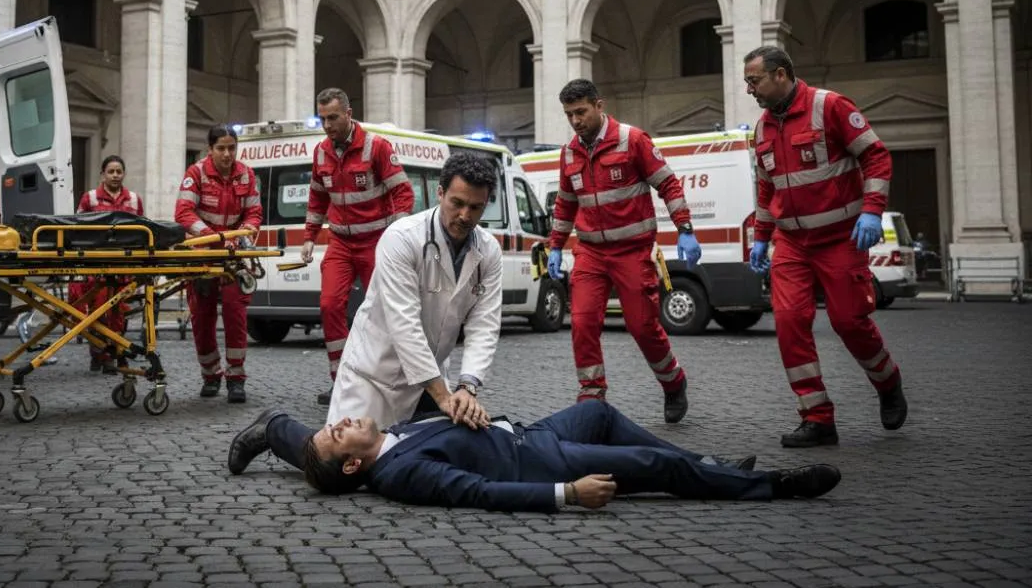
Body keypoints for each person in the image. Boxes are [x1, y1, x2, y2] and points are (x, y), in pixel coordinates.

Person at [229, 152, 503, 472]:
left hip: (430, 373)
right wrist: (444, 396)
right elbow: (404, 323)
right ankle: (274, 428)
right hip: (377, 371)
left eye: (476, 207)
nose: (465, 215)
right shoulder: (402, 238)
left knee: (443, 454)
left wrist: (467, 386)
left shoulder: (488, 250)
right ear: (440, 193)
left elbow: (485, 323)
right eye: (457, 203)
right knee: (339, 464)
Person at [228, 400, 842, 512]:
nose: (336, 423)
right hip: (545, 461)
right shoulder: (402, 474)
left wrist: (460, 406)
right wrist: (566, 494)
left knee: (597, 408)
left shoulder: (379, 442)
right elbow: (480, 494)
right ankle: (771, 488)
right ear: (357, 466)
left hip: (524, 430)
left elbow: (334, 446)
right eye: (338, 434)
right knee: (658, 471)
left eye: (330, 428)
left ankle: (271, 426)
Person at [743, 45, 908, 448]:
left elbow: (876, 156)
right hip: (792, 245)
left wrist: (872, 211)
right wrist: (762, 240)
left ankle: (887, 384)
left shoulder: (829, 106)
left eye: (754, 80)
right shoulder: (762, 129)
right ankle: (817, 418)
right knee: (789, 324)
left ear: (780, 75)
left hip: (840, 238)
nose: (750, 90)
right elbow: (768, 190)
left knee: (850, 321)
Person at [547, 79, 703, 422]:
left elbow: (668, 183)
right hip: (590, 252)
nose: (575, 120)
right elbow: (565, 205)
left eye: (581, 112)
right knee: (583, 323)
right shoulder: (569, 153)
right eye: (569, 114)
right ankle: (592, 395)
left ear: (599, 106)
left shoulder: (632, 140)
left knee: (643, 327)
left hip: (632, 251)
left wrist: (685, 229)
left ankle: (673, 382)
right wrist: (555, 247)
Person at [300, 88, 414, 405]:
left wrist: (396, 233)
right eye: (322, 118)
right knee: (329, 305)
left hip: (376, 242)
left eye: (333, 117)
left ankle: (389, 380)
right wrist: (310, 235)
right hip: (340, 242)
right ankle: (342, 379)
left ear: (349, 115)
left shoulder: (376, 147)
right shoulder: (321, 153)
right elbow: (317, 197)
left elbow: (404, 193)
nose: (327, 125)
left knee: (383, 312)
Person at [174, 124, 262, 403]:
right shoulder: (196, 174)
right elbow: (184, 213)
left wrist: (241, 236)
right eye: (221, 148)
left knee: (236, 314)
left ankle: (236, 379)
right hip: (203, 254)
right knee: (202, 316)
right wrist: (213, 237)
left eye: (231, 148)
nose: (227, 154)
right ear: (210, 149)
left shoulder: (246, 175)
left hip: (234, 255)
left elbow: (254, 213)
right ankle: (210, 375)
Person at [68, 155, 145, 373]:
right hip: (96, 264)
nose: (115, 175)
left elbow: (141, 230)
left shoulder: (133, 199)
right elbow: (77, 228)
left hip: (124, 265)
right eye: (111, 171)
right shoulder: (90, 198)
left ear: (124, 174)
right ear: (103, 174)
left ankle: (114, 352)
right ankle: (99, 352)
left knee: (118, 311)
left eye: (118, 171)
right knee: (97, 310)